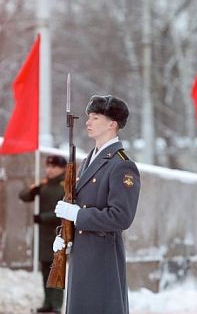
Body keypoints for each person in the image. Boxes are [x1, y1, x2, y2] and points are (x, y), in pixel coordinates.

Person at [52, 95, 141, 314]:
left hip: (102, 258)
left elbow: (121, 217)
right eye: (89, 117)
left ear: (112, 124)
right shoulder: (89, 160)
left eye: (95, 117)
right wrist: (64, 233)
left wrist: (77, 215)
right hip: (82, 254)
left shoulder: (121, 165)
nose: (88, 122)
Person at [19, 155, 67, 313]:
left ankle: (56, 305)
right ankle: (47, 302)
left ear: (62, 168)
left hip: (58, 235)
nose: (50, 170)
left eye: (54, 167)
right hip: (43, 236)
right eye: (48, 166)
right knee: (46, 270)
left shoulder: (65, 186)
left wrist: (43, 218)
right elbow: (23, 195)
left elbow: (65, 212)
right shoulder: (45, 185)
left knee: (57, 271)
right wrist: (34, 190)